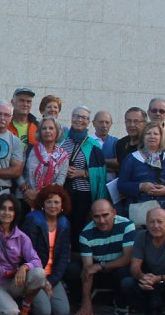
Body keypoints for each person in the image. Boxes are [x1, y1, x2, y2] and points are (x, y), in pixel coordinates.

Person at [0, 194, 45, 315]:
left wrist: (24, 267)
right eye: (3, 208)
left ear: (15, 213)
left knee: (39, 273)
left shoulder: (21, 236)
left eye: (11, 209)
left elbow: (36, 260)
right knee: (10, 314)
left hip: (13, 281)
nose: (6, 212)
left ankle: (25, 307)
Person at [71, 200, 135, 315]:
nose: (101, 221)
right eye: (97, 216)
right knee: (73, 269)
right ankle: (81, 301)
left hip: (117, 268)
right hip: (98, 273)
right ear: (91, 216)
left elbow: (127, 258)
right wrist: (87, 301)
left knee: (125, 271)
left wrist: (101, 265)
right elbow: (88, 269)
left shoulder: (127, 225)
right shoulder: (86, 234)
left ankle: (122, 301)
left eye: (105, 215)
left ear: (114, 213)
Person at [58, 106, 110, 248]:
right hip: (62, 192)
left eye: (83, 118)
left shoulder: (94, 145)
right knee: (60, 227)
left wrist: (82, 173)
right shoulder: (61, 140)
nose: (79, 120)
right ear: (71, 118)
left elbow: (101, 173)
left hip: (83, 194)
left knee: (78, 229)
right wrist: (63, 169)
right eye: (77, 116)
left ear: (89, 122)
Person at [118, 122, 165, 223]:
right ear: (143, 137)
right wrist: (141, 186)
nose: (152, 136)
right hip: (139, 214)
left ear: (161, 137)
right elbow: (121, 185)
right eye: (148, 133)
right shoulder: (131, 158)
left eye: (156, 134)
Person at [20, 185, 72, 315]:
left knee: (62, 312)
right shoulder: (33, 220)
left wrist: (51, 281)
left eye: (56, 202)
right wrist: (42, 282)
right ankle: (24, 298)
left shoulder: (64, 223)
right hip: (35, 274)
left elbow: (63, 257)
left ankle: (41, 295)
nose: (52, 206)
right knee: (44, 312)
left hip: (52, 275)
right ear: (42, 203)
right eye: (48, 202)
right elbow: (27, 254)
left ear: (62, 205)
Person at [0, 101, 24, 197]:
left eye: (6, 115)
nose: (2, 118)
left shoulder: (15, 141)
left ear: (11, 118)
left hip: (2, 191)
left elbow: (16, 171)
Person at [20, 118, 68, 199]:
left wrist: (42, 194)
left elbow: (60, 182)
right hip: (27, 198)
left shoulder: (63, 156)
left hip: (49, 201)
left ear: (57, 132)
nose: (47, 131)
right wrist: (26, 190)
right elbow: (19, 173)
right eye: (44, 128)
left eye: (51, 128)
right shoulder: (29, 150)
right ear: (39, 132)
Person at [110, 107, 147, 172]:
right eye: (128, 121)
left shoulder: (150, 145)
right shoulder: (120, 143)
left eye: (136, 121)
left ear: (145, 124)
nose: (132, 125)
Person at [7, 87, 38, 153]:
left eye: (28, 101)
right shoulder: (5, 124)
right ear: (12, 102)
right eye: (21, 100)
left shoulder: (38, 127)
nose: (25, 104)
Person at [91, 110, 117, 179]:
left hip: (111, 186)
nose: (104, 125)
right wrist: (110, 165)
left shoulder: (115, 142)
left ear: (111, 124)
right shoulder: (87, 142)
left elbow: (119, 162)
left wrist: (99, 161)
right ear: (93, 123)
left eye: (107, 122)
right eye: (101, 122)